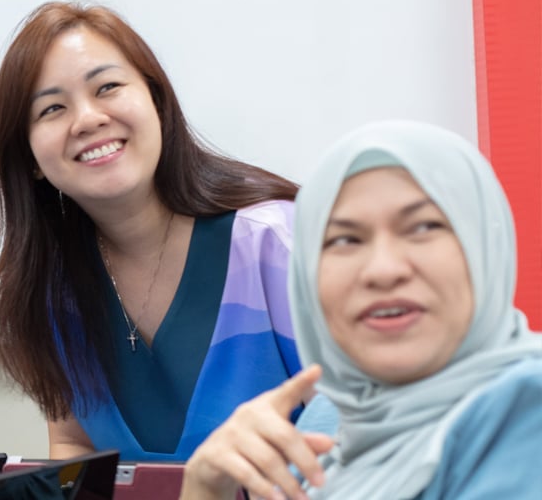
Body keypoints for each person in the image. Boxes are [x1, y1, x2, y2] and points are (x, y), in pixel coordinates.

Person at [0, 1, 303, 461]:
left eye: (107, 87)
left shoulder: (276, 241)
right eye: (52, 108)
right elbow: (73, 443)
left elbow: (361, 418)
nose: (88, 119)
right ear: (29, 159)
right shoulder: (53, 292)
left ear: (157, 101)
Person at [182, 121, 542, 500]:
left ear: (484, 244)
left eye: (423, 227)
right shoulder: (330, 419)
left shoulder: (524, 407)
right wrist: (205, 490)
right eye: (344, 239)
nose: (382, 270)